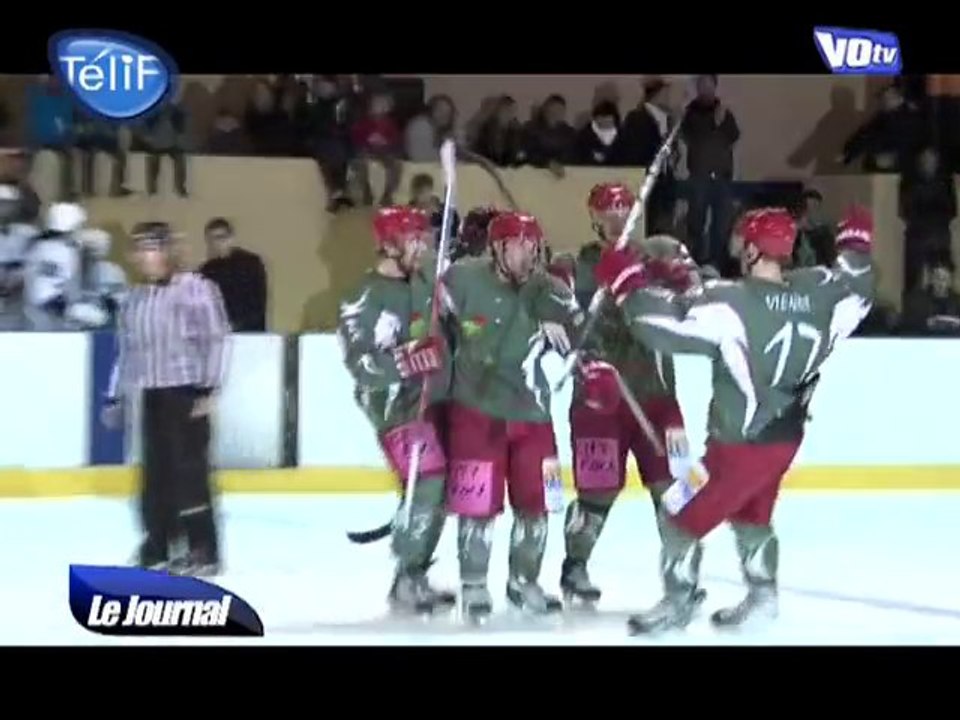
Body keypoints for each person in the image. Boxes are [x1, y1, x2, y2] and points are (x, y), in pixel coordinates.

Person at [590, 205, 875, 634]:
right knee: (751, 516)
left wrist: (627, 283)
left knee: (678, 514)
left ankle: (678, 603)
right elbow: (859, 283)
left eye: (745, 243)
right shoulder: (822, 292)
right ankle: (763, 599)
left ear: (755, 250)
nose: (739, 250)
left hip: (737, 447)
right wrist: (856, 243)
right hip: (783, 438)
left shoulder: (731, 303)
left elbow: (659, 323)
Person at [547, 182, 700, 608]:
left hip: (658, 398)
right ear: (593, 218)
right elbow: (551, 311)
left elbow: (700, 298)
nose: (616, 218)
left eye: (624, 209)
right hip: (598, 402)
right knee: (596, 493)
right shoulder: (575, 264)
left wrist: (678, 279)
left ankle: (682, 575)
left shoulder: (663, 252)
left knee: (675, 488)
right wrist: (561, 306)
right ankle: (575, 567)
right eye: (607, 211)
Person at [441, 210, 583, 622]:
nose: (527, 253)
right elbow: (431, 319)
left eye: (532, 245)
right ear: (496, 248)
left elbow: (585, 338)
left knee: (537, 507)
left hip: (534, 416)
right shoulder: (462, 279)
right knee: (477, 508)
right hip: (476, 412)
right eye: (517, 245)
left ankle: (524, 581)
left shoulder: (551, 290)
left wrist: (576, 340)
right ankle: (473, 584)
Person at [336, 206, 455, 615]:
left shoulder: (426, 282)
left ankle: (414, 573)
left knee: (438, 492)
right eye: (412, 240)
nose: (422, 247)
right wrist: (406, 360)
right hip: (396, 408)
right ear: (388, 245)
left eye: (424, 238)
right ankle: (405, 578)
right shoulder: (362, 297)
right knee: (428, 483)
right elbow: (360, 364)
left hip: (438, 400)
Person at [101, 221, 230, 576]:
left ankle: (202, 548)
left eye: (153, 247)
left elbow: (215, 340)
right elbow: (126, 351)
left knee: (188, 472)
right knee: (155, 474)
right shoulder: (134, 299)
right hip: (150, 393)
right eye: (140, 249)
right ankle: (158, 542)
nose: (145, 256)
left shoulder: (196, 290)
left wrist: (208, 388)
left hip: (186, 392)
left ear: (169, 250)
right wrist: (115, 395)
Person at [199, 218, 268, 332]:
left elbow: (258, 303)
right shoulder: (207, 271)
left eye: (221, 237)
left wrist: (234, 326)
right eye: (211, 240)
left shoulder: (251, 263)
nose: (216, 244)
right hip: (218, 332)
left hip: (249, 332)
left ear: (231, 238)